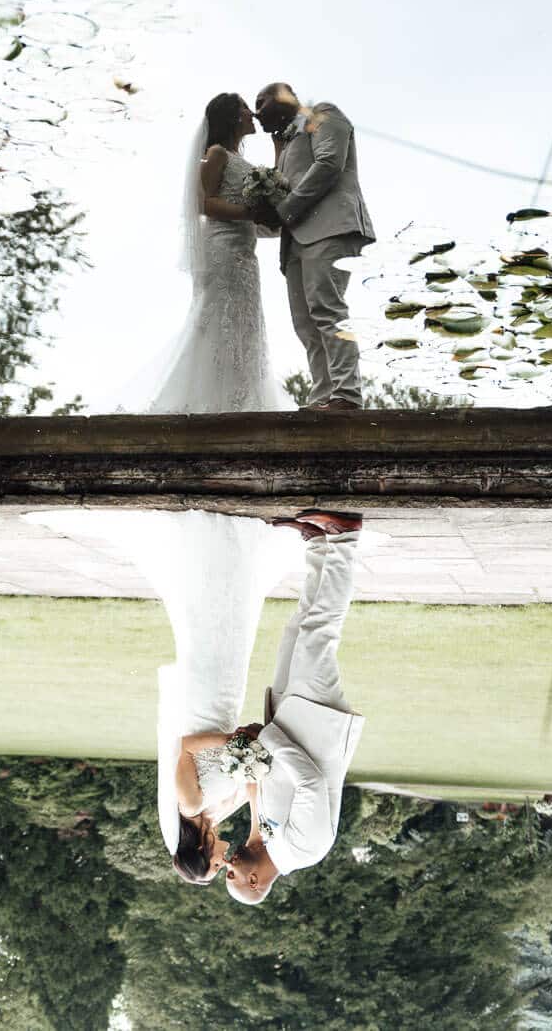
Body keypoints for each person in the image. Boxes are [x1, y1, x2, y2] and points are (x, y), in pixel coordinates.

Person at [224, 510, 368, 903]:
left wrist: (249, 751)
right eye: (232, 875)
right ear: (254, 882)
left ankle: (318, 546)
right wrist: (266, 738)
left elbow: (265, 783)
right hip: (317, 721)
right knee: (318, 634)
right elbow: (311, 782)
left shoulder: (268, 840)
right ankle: (345, 539)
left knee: (296, 632)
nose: (229, 864)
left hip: (289, 716)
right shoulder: (305, 849)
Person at [143, 92, 289, 413]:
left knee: (245, 324)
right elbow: (202, 203)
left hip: (245, 255)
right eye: (245, 110)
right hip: (222, 250)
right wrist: (249, 212)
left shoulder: (241, 160)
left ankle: (242, 400)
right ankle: (212, 403)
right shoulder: (217, 153)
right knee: (219, 319)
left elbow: (273, 194)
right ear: (234, 117)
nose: (252, 114)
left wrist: (279, 151)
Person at [255, 82, 377, 411]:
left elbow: (328, 164)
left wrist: (285, 209)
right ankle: (323, 396)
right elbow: (282, 194)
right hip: (295, 242)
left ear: (284, 97)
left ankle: (347, 394)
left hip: (331, 228)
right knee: (305, 323)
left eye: (261, 102)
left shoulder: (323, 113)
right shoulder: (287, 141)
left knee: (327, 309)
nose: (256, 111)